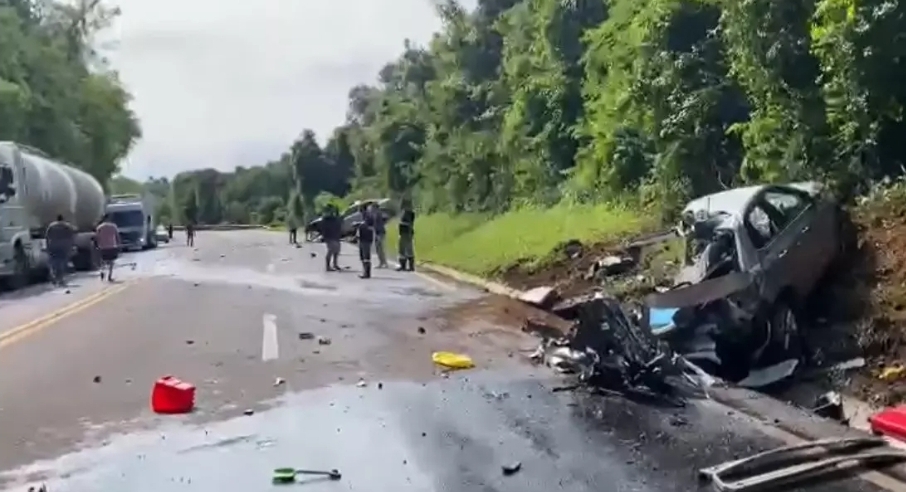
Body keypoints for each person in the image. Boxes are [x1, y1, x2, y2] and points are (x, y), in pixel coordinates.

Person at [45, 214, 75, 286]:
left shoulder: (51, 226)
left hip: (53, 245)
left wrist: (47, 245)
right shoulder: (67, 226)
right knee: (62, 262)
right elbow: (71, 236)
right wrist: (71, 246)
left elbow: (47, 236)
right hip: (63, 246)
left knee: (54, 261)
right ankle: (60, 278)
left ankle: (54, 276)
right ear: (63, 219)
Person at [95, 214, 120, 282]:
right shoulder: (113, 226)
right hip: (112, 246)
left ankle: (102, 271)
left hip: (103, 247)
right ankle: (109, 276)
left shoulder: (99, 227)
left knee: (103, 261)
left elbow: (97, 237)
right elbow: (117, 236)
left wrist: (97, 245)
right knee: (111, 262)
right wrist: (118, 244)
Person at [354, 203, 375, 279]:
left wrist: (359, 224)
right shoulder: (364, 216)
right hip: (362, 238)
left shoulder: (368, 216)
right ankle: (364, 272)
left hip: (366, 238)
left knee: (366, 257)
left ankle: (367, 273)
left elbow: (368, 225)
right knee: (363, 256)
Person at [396, 199, 416, 271]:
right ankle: (403, 265)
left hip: (407, 233)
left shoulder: (409, 213)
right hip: (402, 233)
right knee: (402, 250)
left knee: (408, 249)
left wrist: (401, 223)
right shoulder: (403, 212)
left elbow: (409, 224)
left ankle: (410, 266)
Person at [321, 205, 342, 271]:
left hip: (335, 236)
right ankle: (328, 266)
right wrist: (324, 236)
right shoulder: (326, 219)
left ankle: (335, 264)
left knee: (336, 251)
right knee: (331, 250)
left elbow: (338, 224)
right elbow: (324, 228)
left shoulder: (335, 218)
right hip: (329, 236)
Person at [370, 202, 389, 268]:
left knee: (380, 248)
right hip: (377, 232)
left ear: (375, 207)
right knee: (378, 248)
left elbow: (385, 218)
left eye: (372, 207)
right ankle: (381, 262)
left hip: (380, 232)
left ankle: (384, 262)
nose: (371, 209)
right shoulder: (375, 214)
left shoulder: (378, 213)